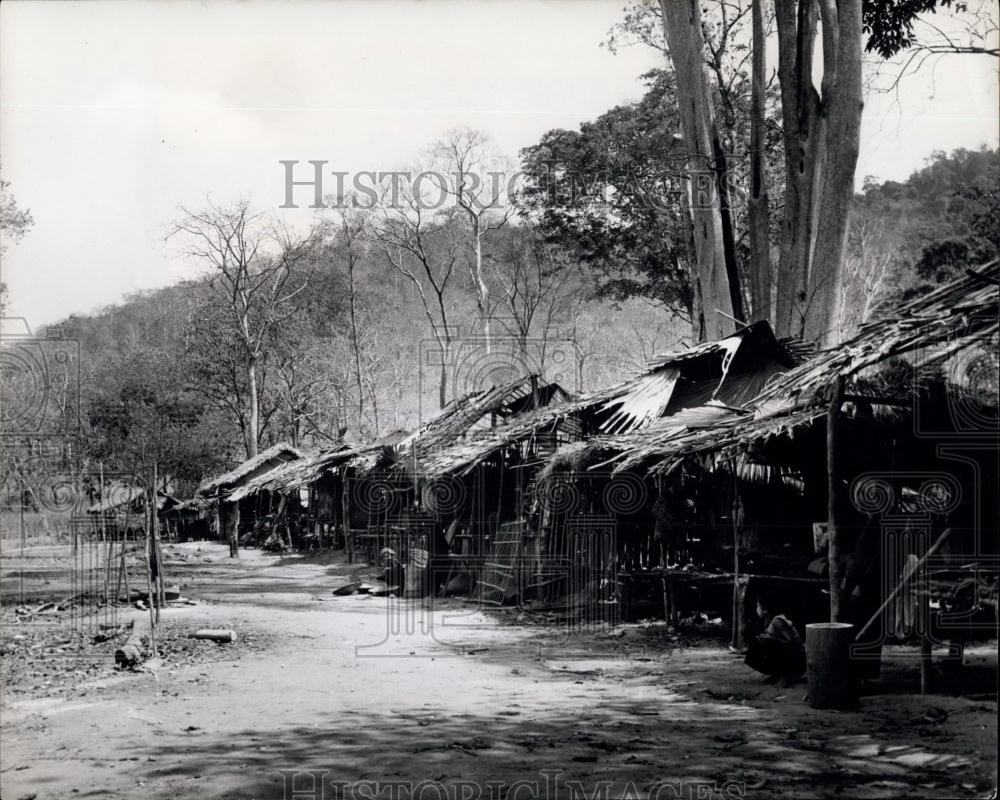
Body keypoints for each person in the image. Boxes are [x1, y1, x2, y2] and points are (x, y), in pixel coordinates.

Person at [744, 590, 806, 685]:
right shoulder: (769, 621)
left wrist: (767, 638)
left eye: (758, 605)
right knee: (757, 643)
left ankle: (785, 676)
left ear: (765, 609)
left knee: (766, 643)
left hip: (798, 663)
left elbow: (789, 644)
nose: (756, 608)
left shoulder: (777, 621)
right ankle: (776, 674)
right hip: (794, 660)